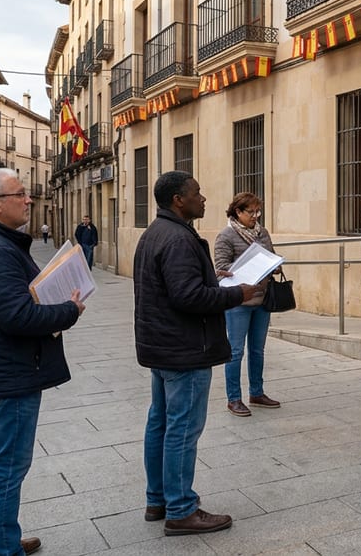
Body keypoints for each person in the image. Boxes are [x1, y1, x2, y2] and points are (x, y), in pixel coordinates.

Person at [0, 168, 85, 556]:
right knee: (6, 469)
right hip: (8, 374)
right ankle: (1, 549)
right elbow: (19, 317)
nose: (28, 199)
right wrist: (69, 309)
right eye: (20, 194)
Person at [133, 171, 260, 534]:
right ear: (178, 200)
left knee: (160, 424)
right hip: (184, 349)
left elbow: (177, 287)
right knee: (182, 429)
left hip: (161, 346)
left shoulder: (155, 233)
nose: (203, 199)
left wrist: (214, 280)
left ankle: (158, 499)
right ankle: (181, 509)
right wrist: (238, 293)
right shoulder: (177, 239)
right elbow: (187, 297)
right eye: (197, 193)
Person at [214, 192, 281, 417]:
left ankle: (257, 392)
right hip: (238, 302)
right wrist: (247, 268)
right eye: (250, 212)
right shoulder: (226, 236)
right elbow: (221, 268)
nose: (255, 216)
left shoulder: (263, 233)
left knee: (257, 350)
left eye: (257, 211)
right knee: (235, 351)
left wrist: (275, 264)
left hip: (262, 299)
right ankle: (234, 398)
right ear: (237, 212)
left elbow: (270, 255)